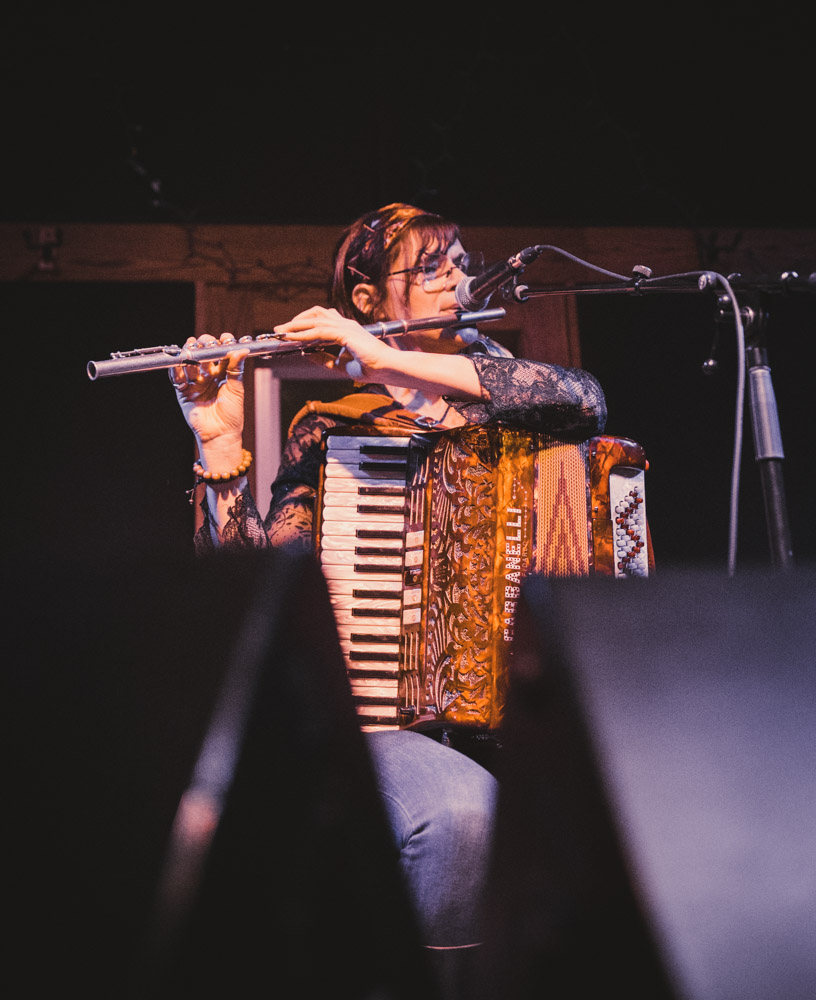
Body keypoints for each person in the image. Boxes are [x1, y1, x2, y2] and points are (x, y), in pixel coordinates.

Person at [170, 202, 607, 995]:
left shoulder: (524, 400)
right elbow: (253, 593)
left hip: (531, 732)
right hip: (396, 732)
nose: (458, 278)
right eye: (431, 266)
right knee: (463, 814)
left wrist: (385, 359)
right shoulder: (334, 430)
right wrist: (221, 446)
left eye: (461, 262)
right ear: (369, 302)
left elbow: (585, 400)